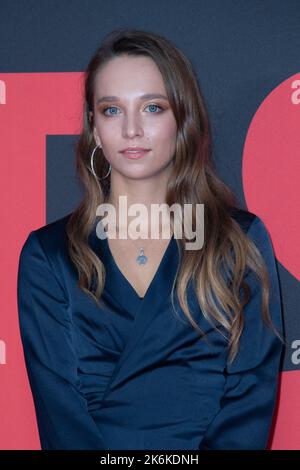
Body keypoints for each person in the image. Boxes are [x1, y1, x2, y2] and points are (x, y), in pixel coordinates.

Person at [17, 28, 285, 450]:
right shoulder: (49, 255)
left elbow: (250, 398)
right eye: (111, 110)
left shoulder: (238, 241)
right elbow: (59, 414)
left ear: (183, 118)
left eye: (153, 108)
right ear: (93, 126)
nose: (132, 130)